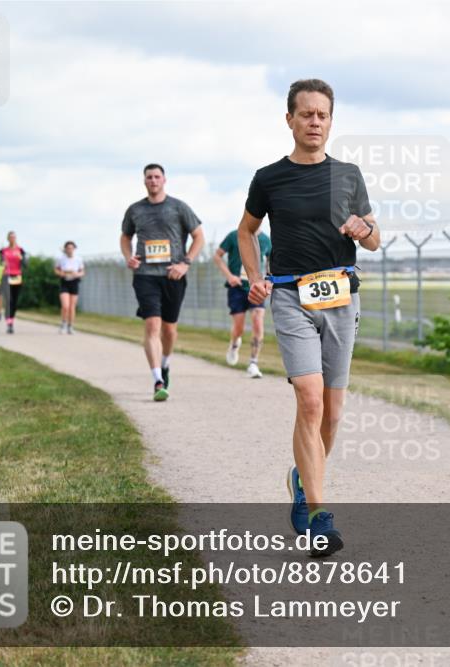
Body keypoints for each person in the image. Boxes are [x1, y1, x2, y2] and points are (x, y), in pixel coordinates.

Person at [238, 79, 380, 556]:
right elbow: (247, 231)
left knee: (333, 415)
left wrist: (365, 229)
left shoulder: (348, 175)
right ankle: (320, 514)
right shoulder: (269, 178)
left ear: (330, 121)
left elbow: (374, 237)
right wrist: (255, 276)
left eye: (322, 115)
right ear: (290, 120)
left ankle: (302, 477)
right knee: (310, 400)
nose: (314, 122)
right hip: (291, 296)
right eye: (306, 114)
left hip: (341, 297)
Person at [121, 164, 205, 401]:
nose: (153, 180)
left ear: (164, 180)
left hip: (173, 275)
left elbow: (199, 236)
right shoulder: (135, 209)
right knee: (152, 326)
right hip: (145, 275)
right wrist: (129, 258)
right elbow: (125, 236)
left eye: (157, 176)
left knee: (169, 329)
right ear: (144, 181)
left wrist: (185, 262)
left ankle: (165, 364)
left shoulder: (178, 207)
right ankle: (157, 380)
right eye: (149, 177)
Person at [213, 228, 271, 378]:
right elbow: (217, 255)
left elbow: (271, 262)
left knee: (258, 321)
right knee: (238, 327)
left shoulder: (266, 240)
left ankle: (253, 363)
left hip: (256, 288)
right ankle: (234, 344)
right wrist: (229, 276)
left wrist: (268, 279)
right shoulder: (234, 236)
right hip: (237, 288)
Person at [55, 241, 85, 334]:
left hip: (74, 283)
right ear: (65, 249)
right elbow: (56, 270)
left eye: (71, 248)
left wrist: (77, 274)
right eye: (68, 248)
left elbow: (82, 272)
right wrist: (61, 273)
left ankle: (70, 326)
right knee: (65, 306)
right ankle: (63, 324)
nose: (70, 250)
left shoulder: (78, 259)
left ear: (74, 249)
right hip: (64, 282)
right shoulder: (61, 259)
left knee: (72, 307)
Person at [0, 231, 27, 333]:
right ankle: (9, 323)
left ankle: (11, 320)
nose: (12, 239)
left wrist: (21, 258)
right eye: (10, 237)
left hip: (17, 276)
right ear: (8, 239)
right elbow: (0, 262)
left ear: (16, 238)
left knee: (14, 301)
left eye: (14, 237)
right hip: (7, 275)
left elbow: (26, 264)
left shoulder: (20, 250)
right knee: (8, 299)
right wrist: (3, 262)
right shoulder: (3, 250)